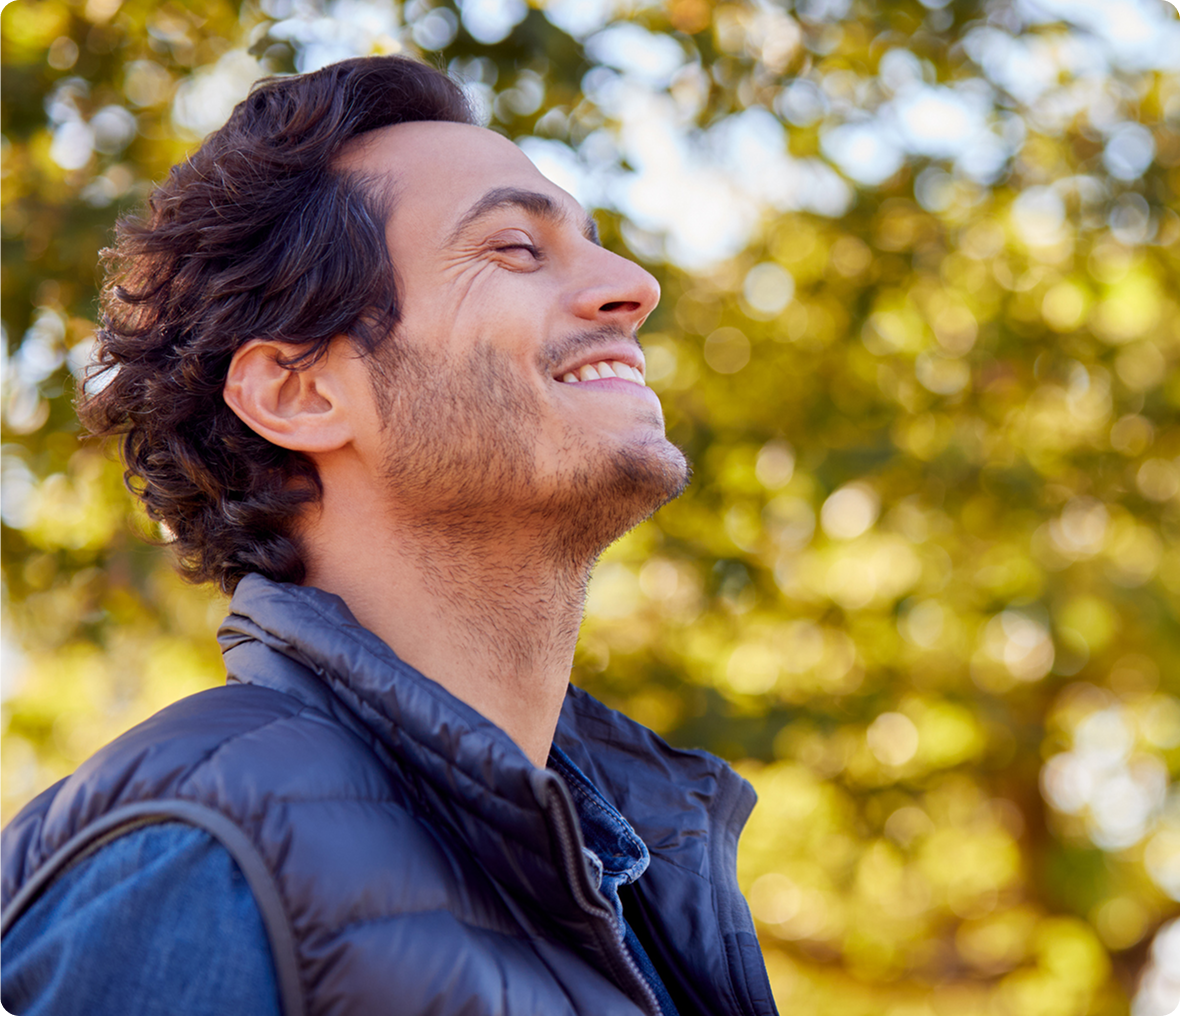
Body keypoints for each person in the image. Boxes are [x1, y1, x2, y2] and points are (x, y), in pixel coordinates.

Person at [0, 55, 777, 1016]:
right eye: (513, 249)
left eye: (594, 241)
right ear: (301, 391)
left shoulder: (642, 877)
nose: (634, 286)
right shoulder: (197, 860)